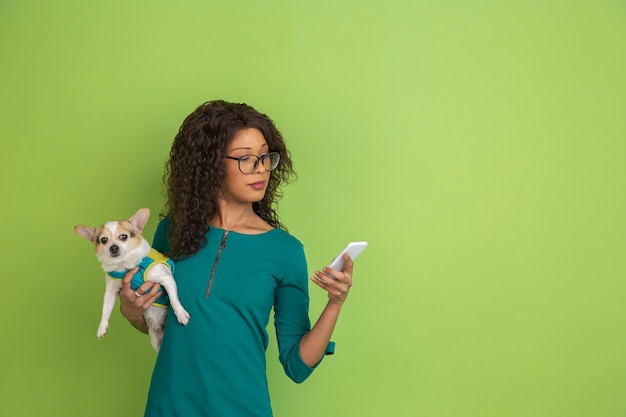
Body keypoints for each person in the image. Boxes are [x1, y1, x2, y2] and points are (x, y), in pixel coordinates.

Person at [118, 100, 355, 417]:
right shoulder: (171, 232)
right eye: (245, 159)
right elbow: (154, 323)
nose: (260, 169)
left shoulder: (285, 251)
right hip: (169, 407)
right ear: (210, 164)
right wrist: (130, 309)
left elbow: (297, 365)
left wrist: (335, 302)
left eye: (265, 157)